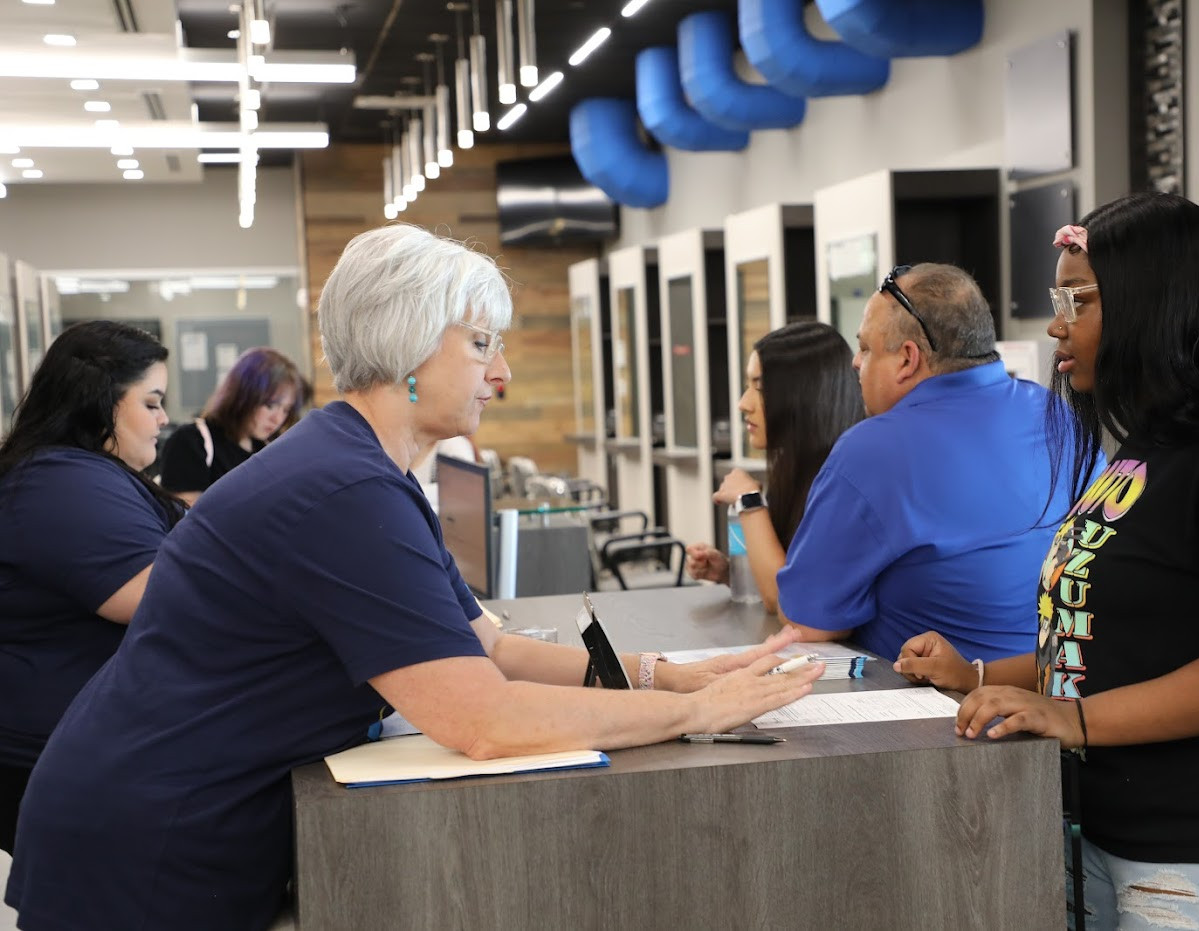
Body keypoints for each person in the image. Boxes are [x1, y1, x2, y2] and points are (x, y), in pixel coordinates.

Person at [5, 225, 820, 930]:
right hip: (148, 846)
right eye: (480, 344)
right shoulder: (346, 487)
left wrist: (668, 675)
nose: (499, 374)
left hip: (151, 816)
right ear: (408, 347)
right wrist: (693, 712)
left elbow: (487, 648)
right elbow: (485, 718)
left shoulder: (359, 467)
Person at [897, 193, 1199, 928]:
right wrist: (982, 676)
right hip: (1130, 832)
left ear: (1155, 304)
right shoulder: (1158, 441)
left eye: (1078, 301)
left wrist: (1072, 718)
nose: (1057, 324)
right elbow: (1122, 637)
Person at [773, 264, 1083, 662]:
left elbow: (808, 623)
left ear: (907, 359)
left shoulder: (872, 449)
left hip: (943, 709)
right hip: (1063, 694)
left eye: (866, 348)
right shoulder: (1058, 415)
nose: (855, 363)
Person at [0, 321, 184, 854]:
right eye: (151, 403)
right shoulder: (62, 482)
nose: (163, 418)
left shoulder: (78, 473)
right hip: (63, 762)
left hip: (83, 749)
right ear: (102, 402)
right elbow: (161, 599)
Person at [684, 321, 863, 612]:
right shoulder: (794, 469)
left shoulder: (841, 479)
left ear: (805, 396)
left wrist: (749, 501)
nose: (743, 403)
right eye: (748, 386)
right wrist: (731, 574)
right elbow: (789, 576)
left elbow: (788, 602)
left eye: (761, 388)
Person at [158, 346, 305, 505]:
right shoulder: (191, 441)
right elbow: (188, 518)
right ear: (243, 395)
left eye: (285, 410)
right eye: (269, 405)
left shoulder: (267, 449)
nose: (277, 419)